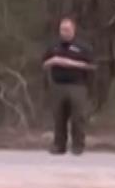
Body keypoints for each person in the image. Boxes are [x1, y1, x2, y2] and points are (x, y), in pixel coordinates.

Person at [41, 16, 96, 155]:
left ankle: (78, 146)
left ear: (73, 30)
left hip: (77, 86)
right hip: (58, 85)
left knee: (78, 117)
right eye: (62, 30)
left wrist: (69, 63)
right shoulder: (53, 46)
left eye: (67, 29)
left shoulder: (82, 47)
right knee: (59, 117)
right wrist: (53, 61)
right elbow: (44, 63)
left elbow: (91, 65)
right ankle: (59, 145)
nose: (64, 32)